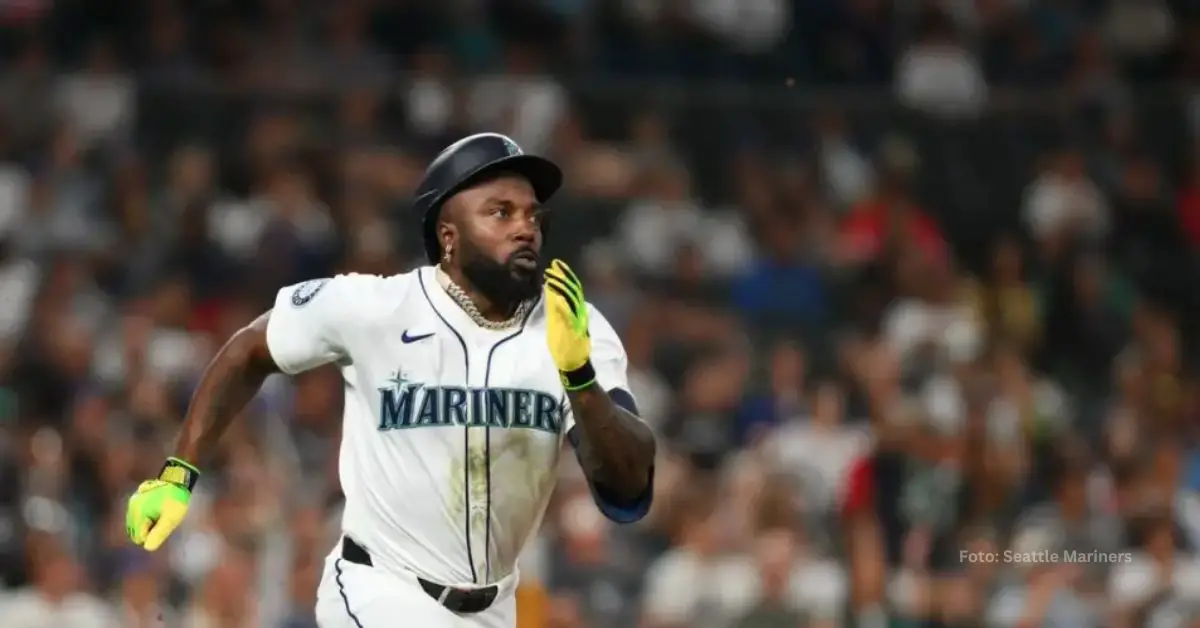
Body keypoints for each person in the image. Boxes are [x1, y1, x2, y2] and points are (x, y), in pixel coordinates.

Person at [122, 133, 657, 627]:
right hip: (380, 588)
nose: (525, 228)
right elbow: (248, 351)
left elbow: (629, 486)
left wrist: (579, 377)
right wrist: (178, 473)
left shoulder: (573, 328)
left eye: (533, 216)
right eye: (501, 212)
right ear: (448, 236)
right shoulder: (376, 307)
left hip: (495, 607)